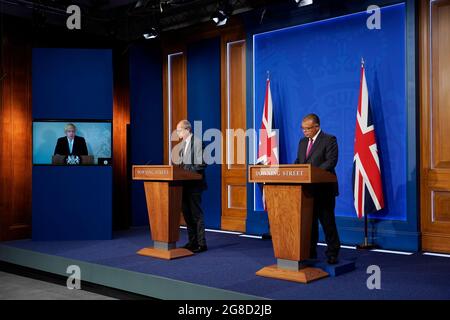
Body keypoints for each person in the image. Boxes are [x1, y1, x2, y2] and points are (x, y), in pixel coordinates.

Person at [294, 114, 341, 264]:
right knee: (309, 224)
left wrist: (312, 174)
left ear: (317, 127)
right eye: (303, 128)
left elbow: (331, 162)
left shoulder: (329, 140)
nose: (304, 131)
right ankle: (310, 253)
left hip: (324, 190)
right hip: (306, 191)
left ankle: (332, 253)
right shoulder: (302, 142)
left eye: (307, 128)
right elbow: (299, 161)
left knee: (328, 223)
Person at [176, 120, 208, 253]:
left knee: (196, 215)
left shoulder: (198, 143)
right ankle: (192, 241)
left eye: (179, 130)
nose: (178, 133)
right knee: (187, 214)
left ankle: (201, 244)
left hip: (194, 184)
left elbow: (202, 163)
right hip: (183, 184)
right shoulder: (182, 145)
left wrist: (187, 172)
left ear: (187, 130)